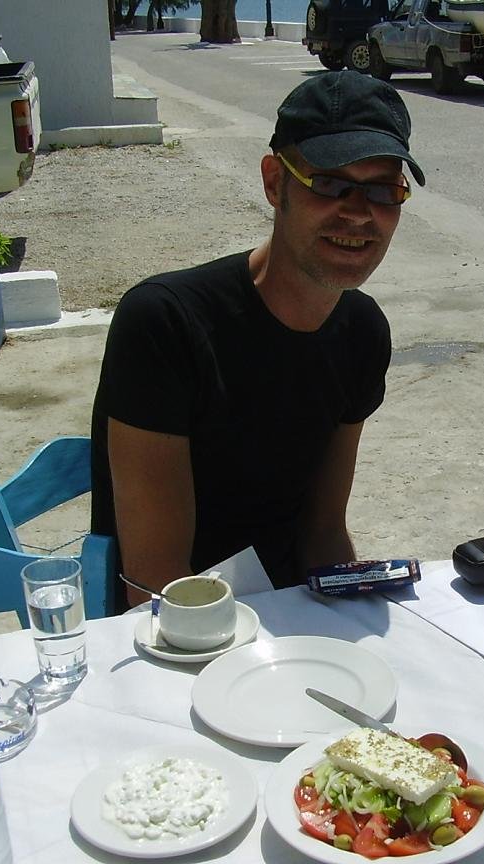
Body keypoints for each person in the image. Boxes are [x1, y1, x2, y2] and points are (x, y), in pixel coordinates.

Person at [90, 71, 425, 608]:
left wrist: (357, 624)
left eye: (384, 191)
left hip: (296, 613)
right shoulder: (164, 323)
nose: (358, 212)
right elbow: (155, 582)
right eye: (329, 183)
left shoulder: (362, 332)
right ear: (274, 182)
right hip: (179, 626)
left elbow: (323, 532)